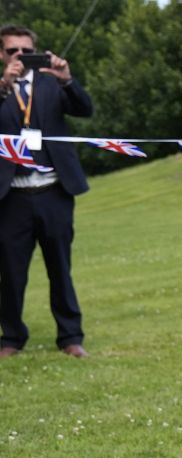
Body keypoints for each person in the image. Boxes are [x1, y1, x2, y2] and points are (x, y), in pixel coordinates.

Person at [0, 24, 93, 359]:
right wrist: (4, 86)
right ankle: (11, 338)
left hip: (54, 192)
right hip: (12, 197)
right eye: (13, 51)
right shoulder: (1, 89)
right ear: (2, 54)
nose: (20, 57)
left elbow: (85, 109)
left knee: (60, 268)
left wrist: (66, 77)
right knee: (11, 272)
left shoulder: (51, 83)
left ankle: (70, 336)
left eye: (27, 51)